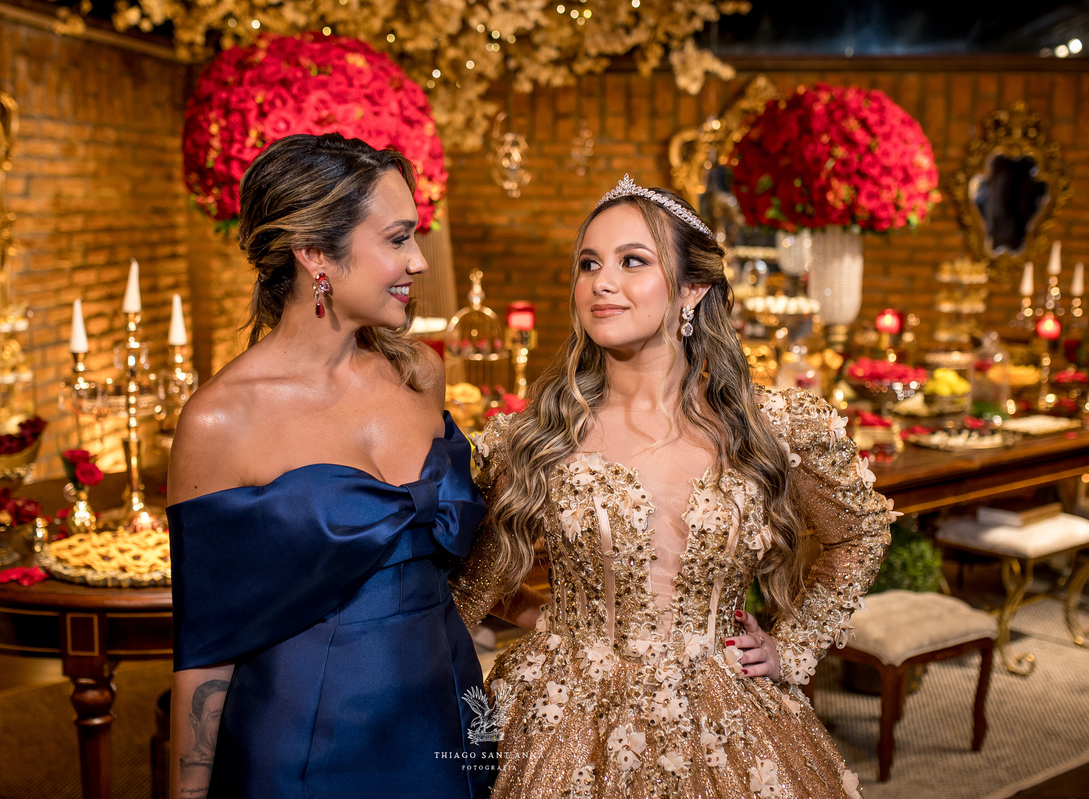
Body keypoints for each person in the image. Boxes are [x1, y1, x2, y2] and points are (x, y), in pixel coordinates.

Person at [451, 175, 895, 798]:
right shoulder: (537, 437)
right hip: (565, 721)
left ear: (692, 288)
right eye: (588, 264)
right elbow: (471, 581)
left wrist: (795, 646)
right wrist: (557, 622)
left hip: (727, 714)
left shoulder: (771, 426)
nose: (601, 282)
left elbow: (861, 531)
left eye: (632, 261)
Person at [168, 133, 493, 799]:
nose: (419, 261)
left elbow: (461, 560)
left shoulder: (421, 373)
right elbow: (205, 651)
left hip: (448, 710)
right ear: (315, 253)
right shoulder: (220, 420)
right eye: (397, 238)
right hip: (308, 741)